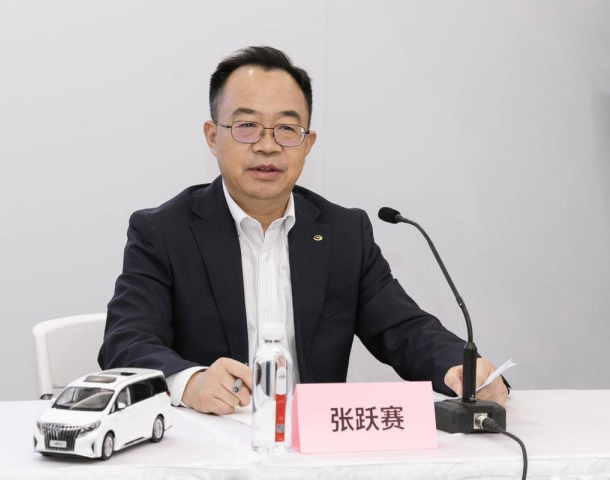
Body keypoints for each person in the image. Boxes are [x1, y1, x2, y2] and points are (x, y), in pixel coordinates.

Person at [98, 46, 509, 415]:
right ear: (212, 137)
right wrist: (191, 382)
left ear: (307, 144)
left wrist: (461, 367)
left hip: (315, 449)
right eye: (246, 126)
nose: (268, 145)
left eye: (286, 129)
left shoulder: (344, 233)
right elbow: (126, 341)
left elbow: (403, 329)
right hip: (209, 444)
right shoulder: (163, 231)